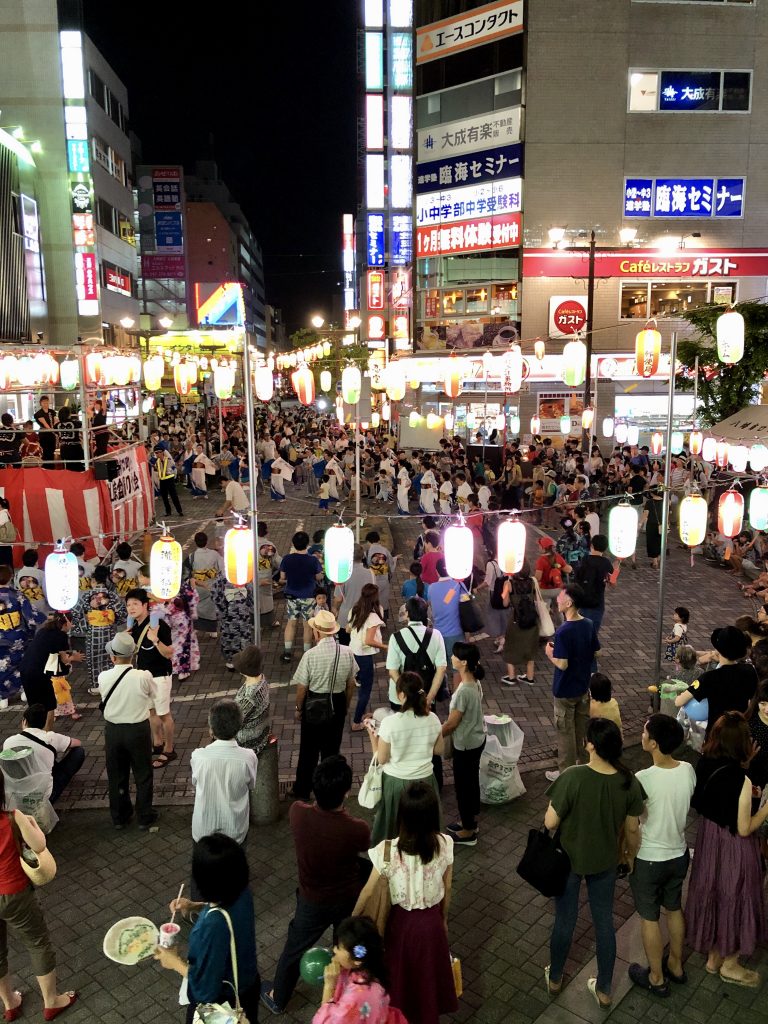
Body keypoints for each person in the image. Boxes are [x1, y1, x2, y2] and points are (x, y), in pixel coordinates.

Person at [544, 718, 644, 1010]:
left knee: (565, 919)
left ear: (590, 744)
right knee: (604, 922)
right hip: (606, 861)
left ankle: (556, 977)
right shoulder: (628, 781)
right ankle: (603, 989)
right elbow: (633, 829)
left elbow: (550, 822)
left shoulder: (573, 777)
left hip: (570, 860)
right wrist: (628, 856)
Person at [261, 756, 371, 1015]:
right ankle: (351, 992)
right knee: (348, 945)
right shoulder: (357, 829)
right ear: (345, 792)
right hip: (348, 897)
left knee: (295, 947)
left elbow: (305, 807)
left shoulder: (297, 813)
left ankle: (278, 996)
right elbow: (364, 848)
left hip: (312, 900)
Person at [356, 781, 457, 1024]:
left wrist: (353, 919)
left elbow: (368, 892)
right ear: (433, 815)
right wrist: (443, 920)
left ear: (402, 815)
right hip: (431, 925)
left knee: (401, 981)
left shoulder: (386, 852)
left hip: (399, 927)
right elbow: (448, 887)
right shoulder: (445, 844)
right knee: (427, 981)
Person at [685, 711, 768, 987]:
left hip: (709, 839)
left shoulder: (704, 762)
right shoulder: (741, 781)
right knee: (736, 896)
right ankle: (730, 964)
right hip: (735, 846)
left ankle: (713, 957)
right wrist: (767, 808)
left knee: (713, 892)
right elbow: (745, 827)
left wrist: (745, 764)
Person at [155, 834, 260, 1023]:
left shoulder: (213, 926)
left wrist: (173, 962)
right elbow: (224, 906)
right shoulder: (242, 891)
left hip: (225, 1002)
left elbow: (205, 989)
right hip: (247, 983)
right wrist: (194, 905)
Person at [627, 715, 696, 997]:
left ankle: (656, 977)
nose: (641, 735)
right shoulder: (689, 770)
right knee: (674, 908)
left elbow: (632, 826)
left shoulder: (643, 779)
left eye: (644, 732)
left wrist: (630, 857)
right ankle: (676, 966)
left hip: (649, 857)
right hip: (679, 853)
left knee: (649, 917)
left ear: (653, 743)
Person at [0, 771, 76, 1020]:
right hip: (14, 893)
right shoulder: (12, 818)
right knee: (37, 942)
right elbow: (39, 845)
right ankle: (51, 1001)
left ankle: (10, 1003)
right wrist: (30, 824)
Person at [365, 672, 444, 844]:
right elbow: (439, 750)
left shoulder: (390, 723)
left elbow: (382, 759)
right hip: (427, 782)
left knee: (393, 832)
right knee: (425, 831)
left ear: (401, 694)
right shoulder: (433, 718)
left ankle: (393, 865)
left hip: (396, 784)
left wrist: (372, 735)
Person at [290, 610, 358, 802]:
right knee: (331, 751)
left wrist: (298, 709)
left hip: (314, 704)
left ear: (317, 633)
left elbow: (302, 688)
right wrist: (345, 705)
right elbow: (351, 684)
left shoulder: (310, 655)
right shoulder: (347, 652)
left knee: (308, 752)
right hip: (336, 703)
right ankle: (330, 790)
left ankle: (302, 791)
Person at [190, 700, 257, 892]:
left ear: (211, 729)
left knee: (200, 875)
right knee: (235, 873)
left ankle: (197, 908)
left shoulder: (199, 756)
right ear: (238, 727)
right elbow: (251, 784)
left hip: (203, 827)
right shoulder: (248, 757)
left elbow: (196, 782)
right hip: (235, 827)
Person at [97, 631, 158, 830]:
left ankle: (119, 817)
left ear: (112, 657)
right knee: (143, 774)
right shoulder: (143, 676)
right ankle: (144, 816)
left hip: (113, 731)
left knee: (117, 775)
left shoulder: (103, 677)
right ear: (134, 655)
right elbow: (153, 696)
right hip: (138, 730)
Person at [544, 584, 601, 782]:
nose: (557, 600)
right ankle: (585, 765)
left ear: (569, 603)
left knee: (565, 733)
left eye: (560, 597)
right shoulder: (587, 624)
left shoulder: (563, 631)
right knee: (581, 730)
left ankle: (565, 774)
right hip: (583, 687)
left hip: (565, 690)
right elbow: (596, 650)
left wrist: (550, 653)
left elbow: (562, 664)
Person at [311, 916, 405, 1024]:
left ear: (357, 960)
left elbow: (325, 1021)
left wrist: (329, 986)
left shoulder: (357, 997)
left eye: (339, 947)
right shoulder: (371, 969)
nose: (334, 950)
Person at [675, 626, 757, 737]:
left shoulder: (708, 677)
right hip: (740, 730)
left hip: (717, 732)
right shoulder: (750, 670)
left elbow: (679, 702)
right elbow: (753, 699)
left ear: (718, 650)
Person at [126, 588, 176, 769]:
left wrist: (155, 640)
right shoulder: (134, 626)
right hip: (144, 675)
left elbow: (170, 654)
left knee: (163, 714)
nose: (131, 608)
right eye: (128, 604)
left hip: (160, 676)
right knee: (150, 712)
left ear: (145, 605)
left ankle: (169, 749)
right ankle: (157, 743)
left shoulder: (158, 625)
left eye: (135, 604)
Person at [442, 642, 486, 846]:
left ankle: (468, 831)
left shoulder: (465, 690)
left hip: (466, 744)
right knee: (471, 782)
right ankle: (470, 821)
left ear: (464, 662)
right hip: (477, 739)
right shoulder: (474, 681)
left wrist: (433, 733)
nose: (452, 658)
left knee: (463, 786)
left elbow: (452, 723)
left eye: (454, 656)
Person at [2, 703, 85, 804]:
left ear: (24, 721)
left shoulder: (9, 741)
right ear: (45, 723)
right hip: (44, 798)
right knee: (78, 752)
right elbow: (77, 743)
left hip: (15, 797)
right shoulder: (51, 738)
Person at [19, 613, 85, 732]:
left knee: (33, 706)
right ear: (66, 623)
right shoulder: (61, 636)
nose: (73, 625)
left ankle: (29, 732)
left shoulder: (44, 630)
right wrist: (74, 657)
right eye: (72, 622)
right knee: (49, 705)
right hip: (39, 673)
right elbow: (64, 659)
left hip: (25, 669)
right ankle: (46, 733)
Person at [385, 596, 447, 708]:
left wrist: (405, 695)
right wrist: (429, 699)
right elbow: (441, 669)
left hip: (400, 698)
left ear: (407, 614)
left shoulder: (396, 637)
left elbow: (392, 671)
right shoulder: (436, 635)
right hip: (426, 694)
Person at [0, 565, 47, 700]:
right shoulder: (17, 594)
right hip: (16, 636)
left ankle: (2, 697)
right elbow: (31, 617)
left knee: (1, 665)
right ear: (10, 577)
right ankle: (24, 691)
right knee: (21, 662)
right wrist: (34, 628)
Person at [280, 530, 324, 664]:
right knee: (307, 626)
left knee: (291, 623)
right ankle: (306, 654)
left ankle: (287, 653)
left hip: (292, 595)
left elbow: (282, 578)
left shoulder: (287, 559)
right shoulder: (313, 560)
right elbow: (318, 576)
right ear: (307, 544)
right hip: (309, 596)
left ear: (293, 544)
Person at [348, 583, 387, 729]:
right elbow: (369, 641)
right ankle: (357, 721)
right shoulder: (374, 617)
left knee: (359, 684)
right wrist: (386, 646)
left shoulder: (355, 609)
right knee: (366, 689)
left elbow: (348, 628)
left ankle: (361, 713)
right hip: (364, 656)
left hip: (354, 651)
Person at [573, 534, 619, 640]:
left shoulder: (584, 559)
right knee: (593, 628)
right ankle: (591, 649)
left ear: (591, 545)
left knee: (581, 625)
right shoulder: (606, 563)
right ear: (605, 547)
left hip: (582, 599)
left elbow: (576, 578)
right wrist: (616, 570)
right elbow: (613, 583)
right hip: (597, 600)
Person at [501, 561, 539, 686]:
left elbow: (505, 604)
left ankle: (512, 677)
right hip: (532, 619)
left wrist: (504, 592)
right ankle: (530, 677)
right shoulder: (532, 582)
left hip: (516, 620)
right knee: (530, 648)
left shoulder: (509, 584)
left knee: (511, 647)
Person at [233, 646, 271, 756]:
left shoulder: (248, 697)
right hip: (262, 733)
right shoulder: (262, 679)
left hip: (247, 744)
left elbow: (234, 724)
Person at [428, 558, 465, 668]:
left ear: (436, 571)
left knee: (439, 667)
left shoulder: (431, 588)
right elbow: (466, 606)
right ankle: (457, 686)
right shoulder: (458, 586)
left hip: (437, 633)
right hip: (455, 632)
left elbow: (431, 605)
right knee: (457, 669)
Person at [153, 444, 184, 517]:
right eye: (156, 453)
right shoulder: (157, 461)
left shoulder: (169, 459)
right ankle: (168, 511)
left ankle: (179, 511)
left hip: (170, 480)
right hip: (162, 481)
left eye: (159, 452)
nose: (157, 454)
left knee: (174, 496)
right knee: (164, 498)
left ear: (162, 452)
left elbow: (173, 464)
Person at [34, 395, 56, 469]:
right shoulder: (38, 413)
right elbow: (45, 424)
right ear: (40, 403)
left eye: (47, 402)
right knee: (45, 451)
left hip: (52, 433)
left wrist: (55, 430)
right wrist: (53, 430)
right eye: (43, 402)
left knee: (52, 451)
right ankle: (45, 468)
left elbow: (55, 420)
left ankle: (52, 468)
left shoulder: (52, 412)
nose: (45, 403)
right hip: (44, 434)